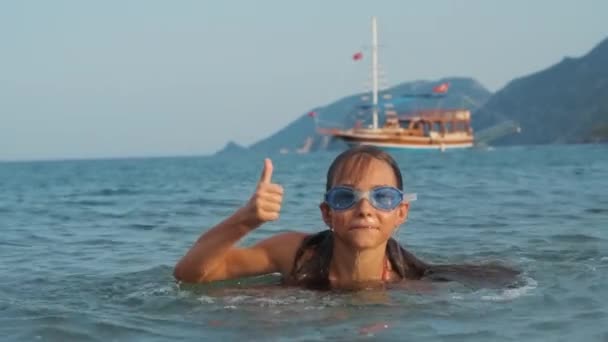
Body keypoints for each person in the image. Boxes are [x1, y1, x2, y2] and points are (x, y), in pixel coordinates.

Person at [174, 146, 518, 290]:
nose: (365, 209)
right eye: (345, 198)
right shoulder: (295, 253)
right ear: (327, 213)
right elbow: (190, 276)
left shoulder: (415, 286)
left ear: (401, 213)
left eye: (383, 197)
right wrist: (245, 220)